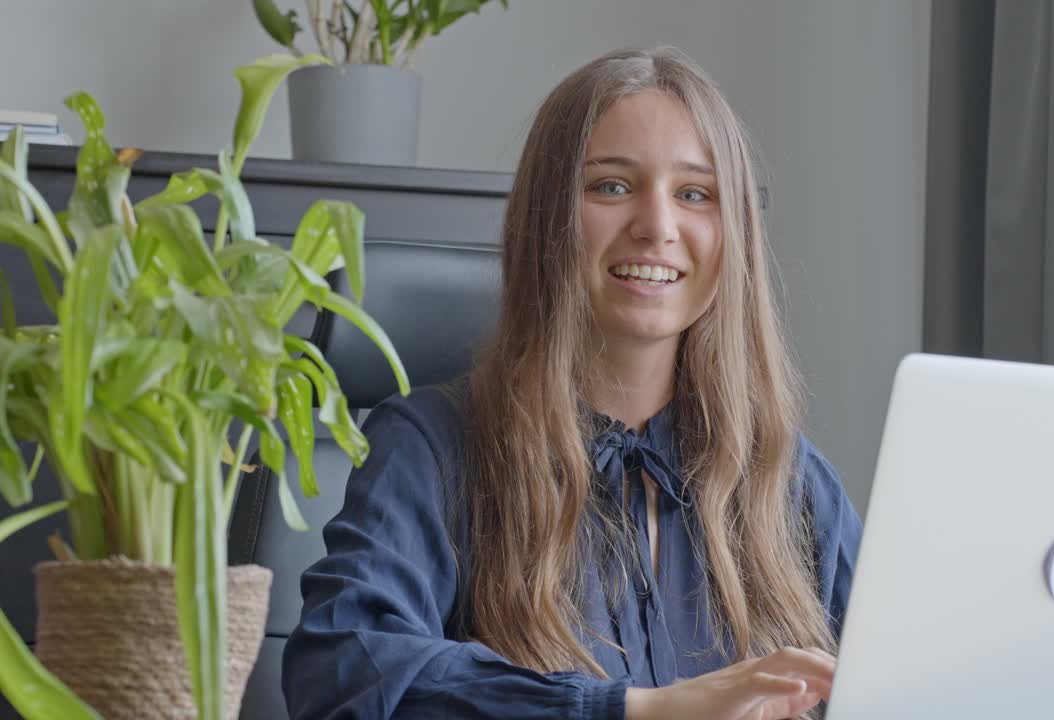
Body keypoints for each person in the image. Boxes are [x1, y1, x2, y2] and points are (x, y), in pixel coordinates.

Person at [281, 46, 863, 720]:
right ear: (547, 219)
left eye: (695, 194)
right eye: (612, 186)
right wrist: (638, 711)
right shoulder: (433, 448)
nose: (658, 227)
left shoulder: (788, 480)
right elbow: (345, 673)